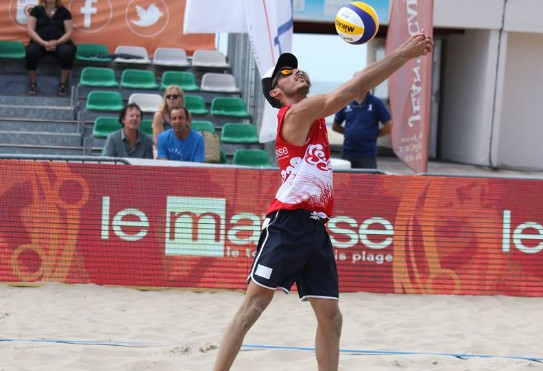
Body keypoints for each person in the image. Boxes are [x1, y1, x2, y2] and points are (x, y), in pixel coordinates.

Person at [212, 32, 433, 371]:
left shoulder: (313, 118)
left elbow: (355, 86)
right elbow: (352, 88)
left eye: (295, 69)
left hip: (315, 227)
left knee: (331, 317)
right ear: (276, 92)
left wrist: (397, 59)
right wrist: (404, 54)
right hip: (286, 222)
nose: (295, 72)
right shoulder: (294, 115)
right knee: (253, 306)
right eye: (285, 74)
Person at [331, 83, 392, 169]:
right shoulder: (345, 102)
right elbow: (335, 126)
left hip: (367, 153)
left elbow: (388, 126)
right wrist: (349, 133)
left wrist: (373, 135)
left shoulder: (376, 103)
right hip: (348, 151)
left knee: (367, 180)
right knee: (347, 179)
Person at [25, 0, 75, 96]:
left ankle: (63, 84)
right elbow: (30, 30)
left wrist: (57, 42)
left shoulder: (64, 11)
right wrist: (43, 43)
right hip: (40, 42)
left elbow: (69, 32)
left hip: (60, 43)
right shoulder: (36, 10)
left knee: (67, 53)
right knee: (31, 52)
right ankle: (32, 83)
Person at [152, 85, 185, 154]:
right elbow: (158, 141)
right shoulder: (159, 115)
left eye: (175, 96)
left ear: (180, 98)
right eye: (168, 96)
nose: (171, 98)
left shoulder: (185, 115)